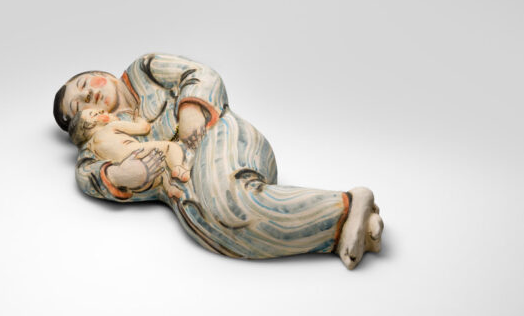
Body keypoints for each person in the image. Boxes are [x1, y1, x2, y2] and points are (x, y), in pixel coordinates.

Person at [54, 53, 383, 268]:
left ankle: (348, 207)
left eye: (85, 84)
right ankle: (349, 225)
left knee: (228, 203)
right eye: (78, 105)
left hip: (220, 139)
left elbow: (199, 73)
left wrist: (191, 111)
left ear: (103, 73)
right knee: (217, 228)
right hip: (191, 192)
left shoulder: (144, 70)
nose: (87, 95)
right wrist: (118, 174)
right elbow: (87, 174)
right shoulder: (97, 141)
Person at [68, 107, 190, 197]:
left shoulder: (92, 148)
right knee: (169, 147)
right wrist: (138, 119)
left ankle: (170, 188)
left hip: (130, 171)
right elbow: (144, 128)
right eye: (97, 113)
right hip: (136, 152)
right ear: (89, 125)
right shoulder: (110, 127)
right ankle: (179, 168)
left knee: (160, 170)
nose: (104, 111)